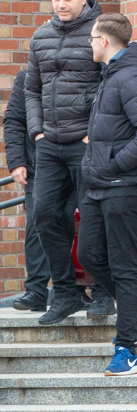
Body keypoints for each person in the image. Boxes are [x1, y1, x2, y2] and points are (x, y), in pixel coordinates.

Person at [76, 13, 137, 376]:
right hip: (100, 185)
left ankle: (126, 349)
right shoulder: (111, 75)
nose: (90, 44)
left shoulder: (129, 77)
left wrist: (114, 163)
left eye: (92, 38)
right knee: (90, 255)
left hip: (124, 186)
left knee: (124, 266)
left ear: (104, 41)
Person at [24, 0, 115, 325]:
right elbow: (31, 89)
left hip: (85, 143)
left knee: (95, 220)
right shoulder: (40, 36)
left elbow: (111, 83)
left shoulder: (101, 33)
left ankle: (104, 292)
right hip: (49, 144)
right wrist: (36, 132)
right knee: (45, 214)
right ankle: (65, 293)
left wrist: (95, 131)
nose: (61, 5)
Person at [4, 71, 51, 312]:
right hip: (38, 165)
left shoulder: (83, 68)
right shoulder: (27, 77)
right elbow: (13, 121)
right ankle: (36, 290)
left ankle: (82, 289)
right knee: (37, 226)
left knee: (81, 226)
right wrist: (16, 161)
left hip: (77, 161)